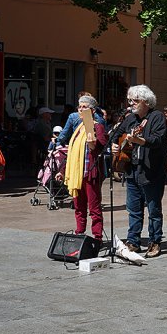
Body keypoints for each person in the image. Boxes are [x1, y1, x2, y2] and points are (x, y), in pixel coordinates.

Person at [110, 85, 167, 258]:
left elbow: (157, 140)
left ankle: (154, 241)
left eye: (134, 100)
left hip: (151, 172)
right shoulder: (131, 119)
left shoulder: (157, 117)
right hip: (132, 170)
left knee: (153, 209)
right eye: (130, 100)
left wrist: (139, 140)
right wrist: (114, 144)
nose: (131, 103)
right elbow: (116, 133)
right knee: (133, 209)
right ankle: (133, 241)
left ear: (145, 101)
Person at [60, 95, 108, 243]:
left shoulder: (97, 126)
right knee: (79, 206)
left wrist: (93, 144)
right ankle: (79, 232)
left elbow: (101, 147)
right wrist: (62, 171)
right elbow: (72, 152)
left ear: (92, 110)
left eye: (84, 107)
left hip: (90, 172)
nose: (80, 109)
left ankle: (97, 238)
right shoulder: (78, 128)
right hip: (77, 174)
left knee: (94, 208)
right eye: (79, 107)